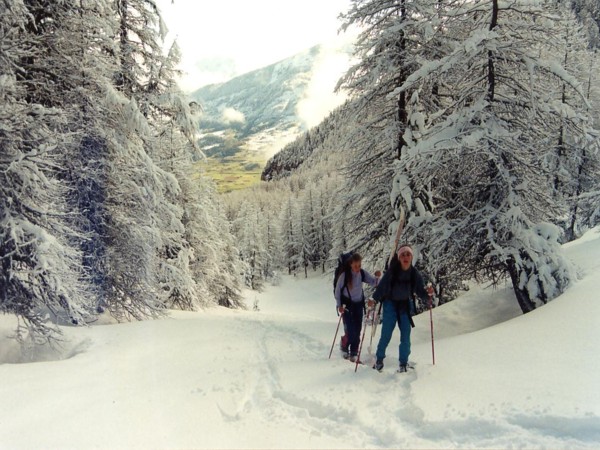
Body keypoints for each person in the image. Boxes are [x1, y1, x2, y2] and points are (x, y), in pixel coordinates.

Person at [369, 245, 434, 372]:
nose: (405, 257)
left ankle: (403, 362)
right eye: (403, 255)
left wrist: (428, 295)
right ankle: (379, 359)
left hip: (405, 305)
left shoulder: (414, 274)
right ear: (399, 258)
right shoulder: (392, 272)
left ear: (411, 257)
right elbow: (382, 287)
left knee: (406, 336)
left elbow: (420, 291)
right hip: (390, 304)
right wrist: (374, 299)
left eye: (408, 254)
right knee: (386, 334)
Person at [334, 253, 381, 362]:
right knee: (350, 330)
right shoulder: (344, 276)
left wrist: (378, 276)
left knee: (358, 329)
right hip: (347, 306)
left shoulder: (362, 273)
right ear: (351, 264)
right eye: (355, 266)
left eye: (359, 265)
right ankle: (344, 344)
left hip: (358, 305)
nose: (357, 268)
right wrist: (339, 305)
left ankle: (354, 352)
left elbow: (374, 282)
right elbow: (337, 291)